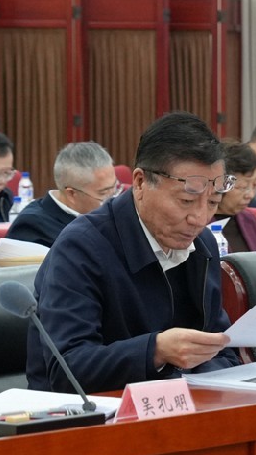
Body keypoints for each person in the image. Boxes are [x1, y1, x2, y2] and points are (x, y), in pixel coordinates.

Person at [29, 112, 240, 393]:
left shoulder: (202, 244)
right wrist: (156, 350)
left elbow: (222, 350)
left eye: (213, 202)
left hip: (177, 405)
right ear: (140, 183)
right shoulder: (81, 247)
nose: (200, 219)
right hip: (91, 413)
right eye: (186, 201)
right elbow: (67, 369)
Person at [7, 141, 117, 249]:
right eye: (103, 193)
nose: (112, 199)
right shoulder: (32, 227)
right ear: (71, 194)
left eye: (116, 187)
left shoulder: (113, 213)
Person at [213, 141, 256, 254]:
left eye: (255, 185)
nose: (250, 195)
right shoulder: (199, 222)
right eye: (242, 187)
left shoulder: (249, 220)